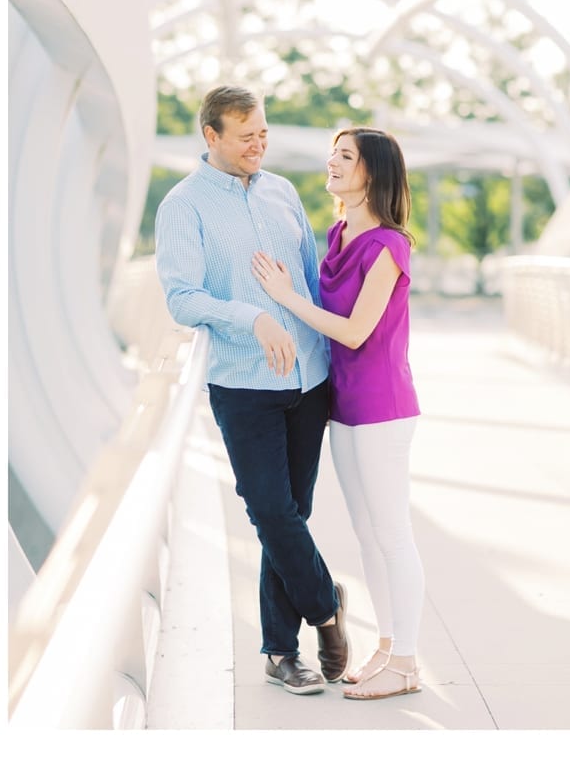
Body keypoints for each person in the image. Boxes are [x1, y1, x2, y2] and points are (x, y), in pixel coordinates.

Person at [156, 85, 349, 695]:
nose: (258, 146)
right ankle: (325, 606)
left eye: (263, 133)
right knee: (269, 509)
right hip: (243, 383)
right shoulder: (183, 206)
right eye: (246, 137)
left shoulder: (283, 191)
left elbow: (312, 284)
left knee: (292, 516)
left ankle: (281, 652)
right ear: (211, 136)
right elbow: (182, 298)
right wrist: (253, 316)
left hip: (309, 379)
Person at [252, 126, 424, 701]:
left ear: (371, 172)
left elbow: (354, 331)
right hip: (343, 406)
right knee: (367, 535)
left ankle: (407, 662)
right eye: (334, 152)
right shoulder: (339, 232)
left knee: (393, 533)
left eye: (345, 156)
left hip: (382, 408)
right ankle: (387, 646)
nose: (332, 162)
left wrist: (286, 298)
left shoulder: (389, 246)